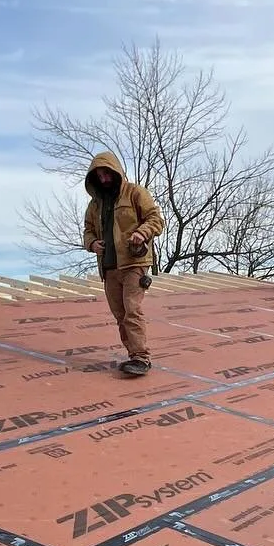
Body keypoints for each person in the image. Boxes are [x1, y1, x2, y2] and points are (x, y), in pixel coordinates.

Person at [83, 150, 165, 377]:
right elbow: (87, 231)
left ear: (116, 171)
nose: (104, 179)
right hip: (109, 267)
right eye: (99, 175)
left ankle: (141, 358)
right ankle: (133, 356)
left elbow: (156, 219)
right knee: (120, 314)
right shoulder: (95, 205)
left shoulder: (135, 193)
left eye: (107, 174)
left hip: (133, 262)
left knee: (132, 309)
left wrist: (141, 232)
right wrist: (92, 244)